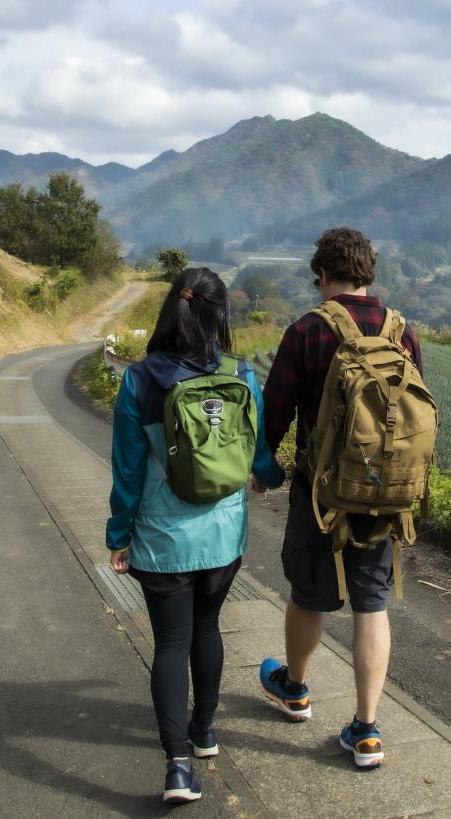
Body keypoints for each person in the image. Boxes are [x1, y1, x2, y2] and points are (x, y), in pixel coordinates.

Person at [107, 266, 285, 805]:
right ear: (219, 315)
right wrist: (271, 479)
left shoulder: (139, 381)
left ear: (171, 309)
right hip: (224, 536)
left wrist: (119, 534)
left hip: (163, 541)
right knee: (207, 630)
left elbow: (128, 472)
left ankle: (179, 766)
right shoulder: (241, 372)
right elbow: (258, 455)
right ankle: (204, 731)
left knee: (171, 643)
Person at [254, 227, 424, 770]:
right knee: (371, 603)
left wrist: (266, 471)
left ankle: (296, 689)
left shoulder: (307, 329)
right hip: (387, 494)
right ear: (367, 271)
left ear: (322, 273)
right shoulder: (402, 331)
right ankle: (367, 730)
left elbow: (276, 410)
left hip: (320, 491)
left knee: (308, 592)